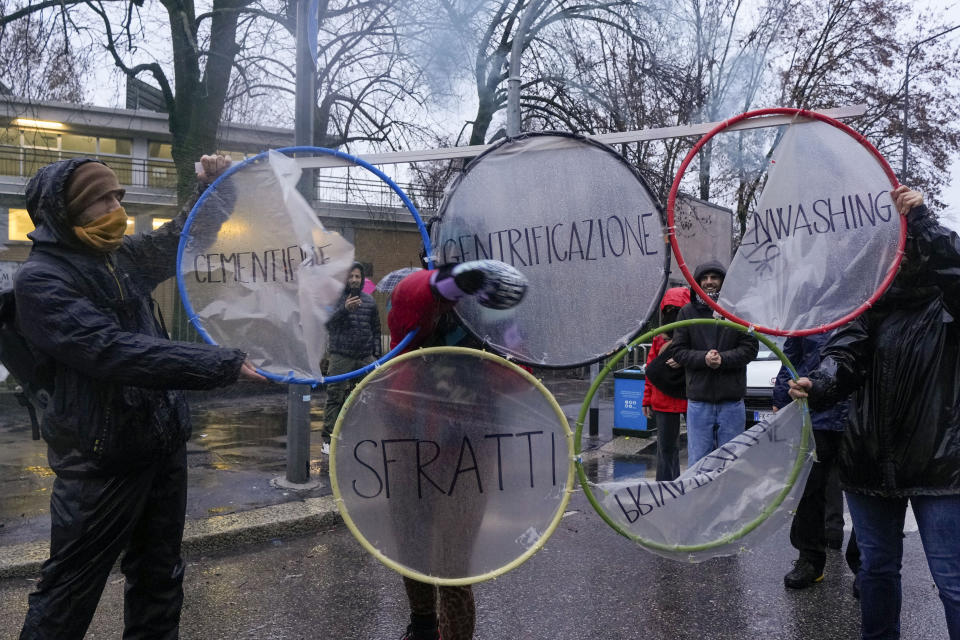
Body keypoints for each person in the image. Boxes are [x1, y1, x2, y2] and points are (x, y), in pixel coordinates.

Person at [15, 155, 265, 639]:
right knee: (67, 594)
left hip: (162, 443)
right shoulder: (42, 280)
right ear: (65, 212)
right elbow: (112, 351)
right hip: (100, 462)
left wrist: (219, 189)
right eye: (102, 200)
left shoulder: (120, 257)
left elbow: (184, 237)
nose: (117, 208)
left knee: (160, 577)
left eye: (118, 197)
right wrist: (217, 364)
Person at [789, 186, 960, 639]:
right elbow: (844, 357)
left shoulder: (948, 304)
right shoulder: (865, 309)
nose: (895, 256)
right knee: (877, 572)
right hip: (866, 461)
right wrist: (819, 382)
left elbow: (955, 267)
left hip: (939, 466)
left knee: (953, 582)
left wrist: (922, 220)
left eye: (905, 243)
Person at [388, 259, 526, 640]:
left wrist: (479, 366)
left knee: (454, 561)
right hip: (408, 436)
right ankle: (422, 626)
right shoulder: (426, 295)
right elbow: (405, 310)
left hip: (467, 448)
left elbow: (522, 376)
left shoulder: (500, 315)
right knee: (411, 542)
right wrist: (448, 284)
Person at [773, 333, 860, 591]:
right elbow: (790, 357)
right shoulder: (809, 309)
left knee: (865, 491)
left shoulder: (864, 303)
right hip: (813, 414)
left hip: (857, 415)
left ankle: (864, 566)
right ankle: (810, 560)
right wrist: (780, 399)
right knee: (808, 491)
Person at [671, 261, 759, 464]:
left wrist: (723, 359)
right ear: (697, 283)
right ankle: (700, 495)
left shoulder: (738, 312)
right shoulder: (687, 313)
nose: (709, 282)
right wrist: (703, 359)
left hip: (731, 401)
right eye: (704, 278)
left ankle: (729, 495)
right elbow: (678, 350)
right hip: (699, 401)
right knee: (699, 459)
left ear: (723, 282)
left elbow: (750, 348)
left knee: (731, 461)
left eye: (715, 278)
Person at [321, 261, 381, 453]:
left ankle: (359, 433)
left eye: (358, 277)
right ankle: (328, 439)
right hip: (341, 355)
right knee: (335, 396)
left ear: (362, 279)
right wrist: (344, 310)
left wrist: (376, 355)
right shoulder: (335, 299)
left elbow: (376, 330)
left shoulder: (369, 301)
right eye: (351, 276)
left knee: (368, 395)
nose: (354, 280)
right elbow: (328, 325)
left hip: (364, 356)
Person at [642, 286, 691, 481]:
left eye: (677, 310)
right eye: (669, 310)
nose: (673, 315)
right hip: (665, 398)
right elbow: (650, 370)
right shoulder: (658, 338)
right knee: (666, 448)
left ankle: (683, 485)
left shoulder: (694, 335)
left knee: (678, 447)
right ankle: (665, 487)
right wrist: (646, 399)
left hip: (688, 395)